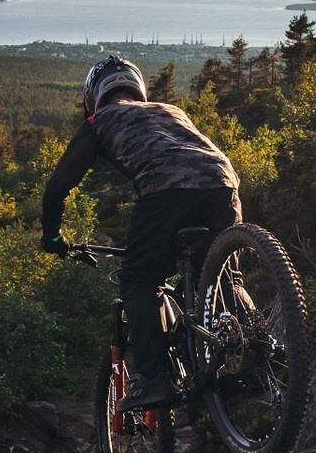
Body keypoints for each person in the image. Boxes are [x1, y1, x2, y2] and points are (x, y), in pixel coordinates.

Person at [40, 55, 241, 408]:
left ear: (93, 96)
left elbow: (57, 187)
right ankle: (247, 361)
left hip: (165, 191)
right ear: (138, 88)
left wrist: (54, 238)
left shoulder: (100, 119)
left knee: (139, 280)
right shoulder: (173, 111)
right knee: (221, 280)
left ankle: (153, 381)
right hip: (224, 185)